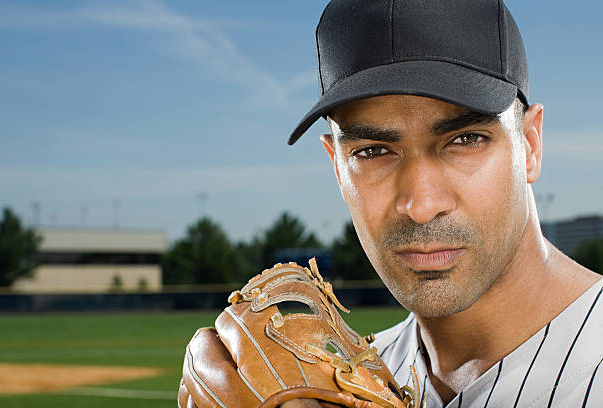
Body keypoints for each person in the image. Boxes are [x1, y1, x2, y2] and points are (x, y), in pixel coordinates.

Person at [181, 1, 603, 407]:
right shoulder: (347, 382)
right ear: (337, 166)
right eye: (373, 151)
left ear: (529, 145)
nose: (421, 205)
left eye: (465, 140)